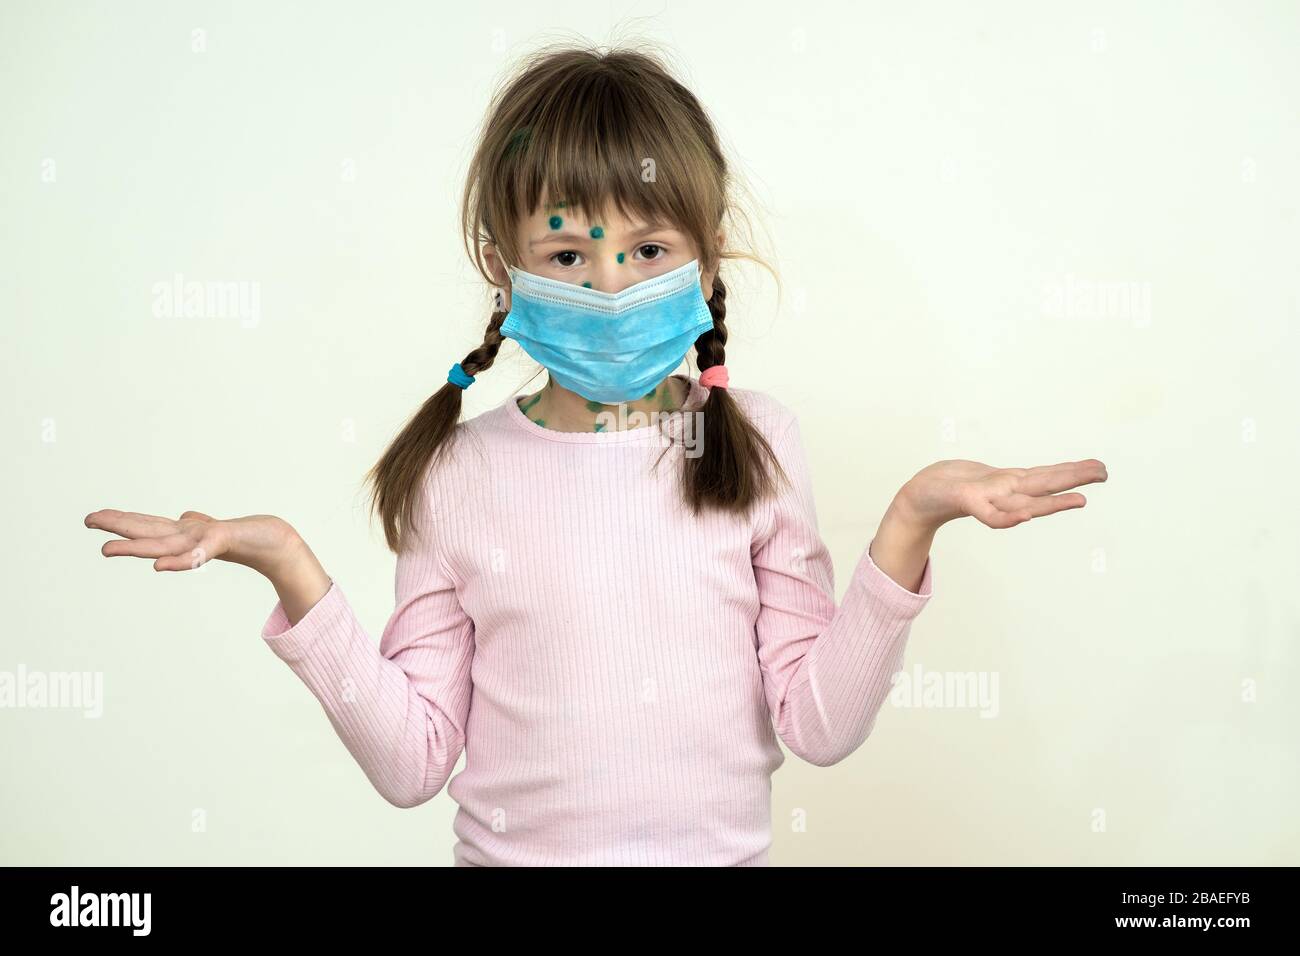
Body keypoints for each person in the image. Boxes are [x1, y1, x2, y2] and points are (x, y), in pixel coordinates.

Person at [84, 43, 1107, 866]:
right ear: (504, 265)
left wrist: (907, 525)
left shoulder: (753, 443)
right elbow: (412, 762)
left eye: (649, 250)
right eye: (568, 254)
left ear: (704, 253)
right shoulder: (457, 472)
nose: (613, 288)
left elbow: (820, 722)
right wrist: (293, 572)